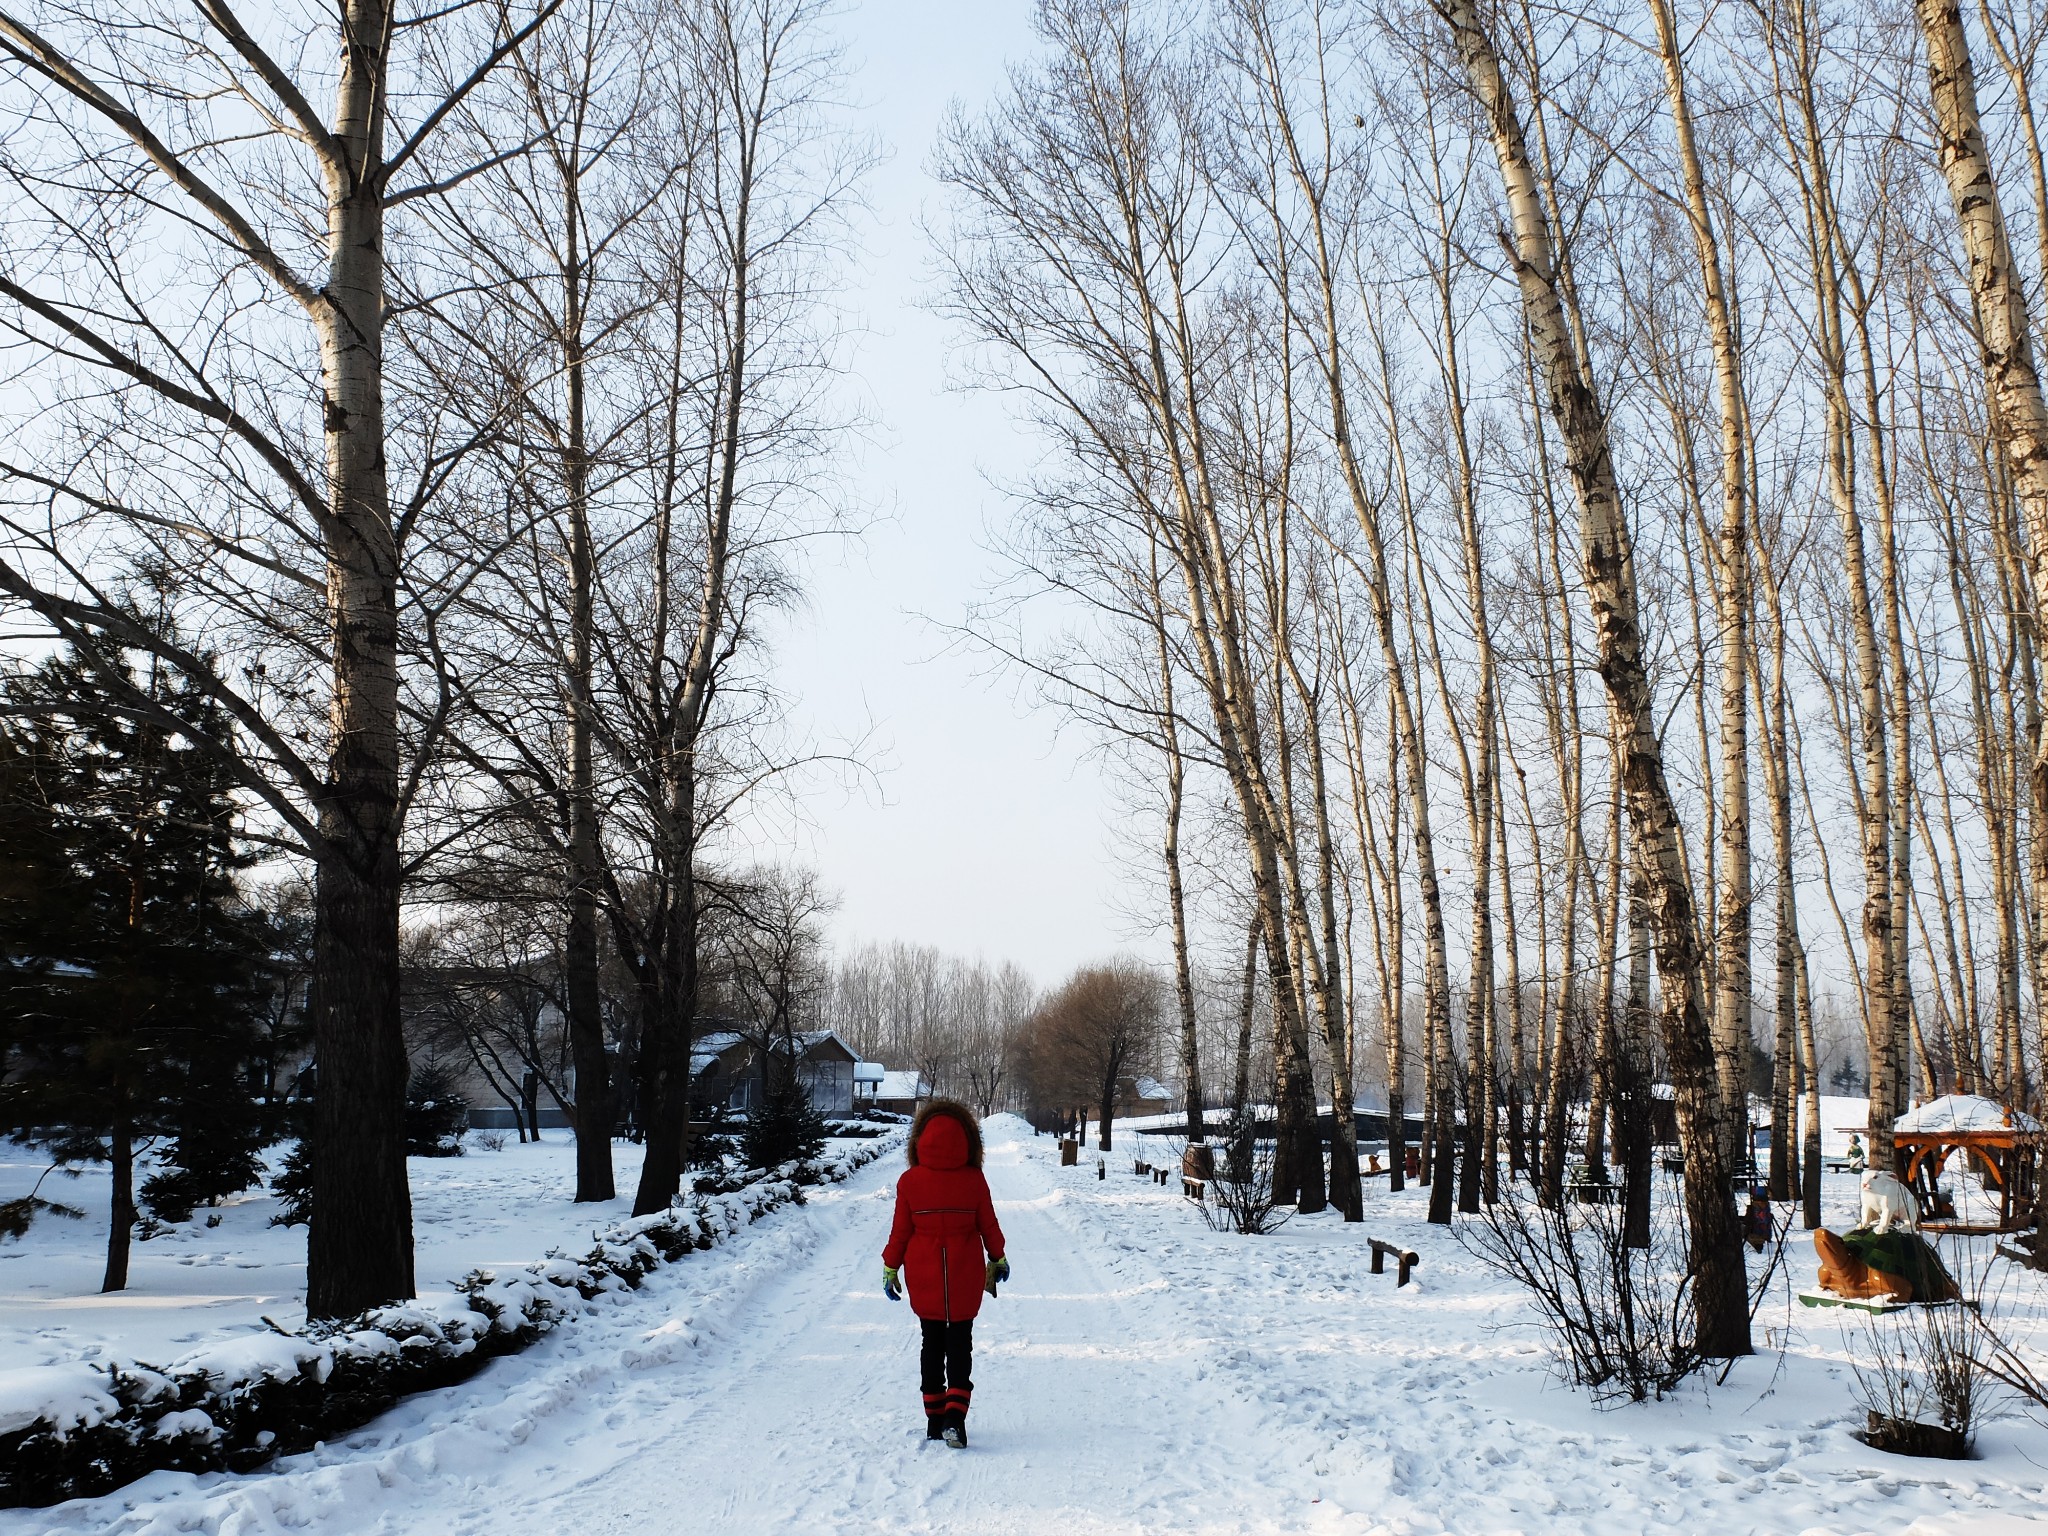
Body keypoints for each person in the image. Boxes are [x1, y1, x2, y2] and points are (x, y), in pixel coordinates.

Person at [882, 1099, 1008, 1449]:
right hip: (964, 1275)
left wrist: (891, 1267)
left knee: (931, 1344)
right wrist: (998, 1258)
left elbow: (900, 1232)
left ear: (920, 1140)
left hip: (924, 1277)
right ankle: (955, 1417)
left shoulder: (909, 1181)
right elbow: (989, 1225)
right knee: (960, 1345)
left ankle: (935, 1419)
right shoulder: (974, 1180)